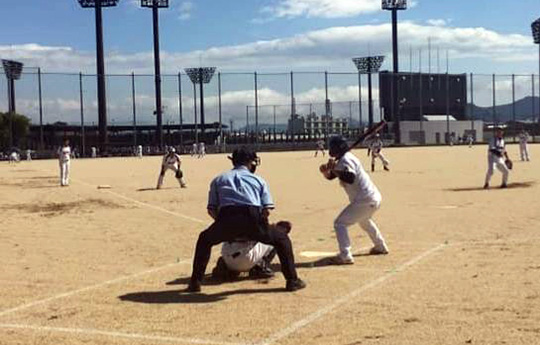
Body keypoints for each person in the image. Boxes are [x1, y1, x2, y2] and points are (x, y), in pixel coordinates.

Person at [187, 147, 306, 292]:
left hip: (227, 217)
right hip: (252, 216)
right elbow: (266, 210)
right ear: (251, 162)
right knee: (281, 239)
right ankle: (292, 280)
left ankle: (195, 282)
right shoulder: (259, 180)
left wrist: (224, 226)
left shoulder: (219, 179)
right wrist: (256, 229)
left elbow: (211, 209)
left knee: (204, 239)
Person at [319, 136, 389, 265]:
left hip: (365, 200)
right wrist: (326, 171)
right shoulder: (343, 159)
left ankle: (345, 255)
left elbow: (350, 177)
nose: (330, 149)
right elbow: (332, 176)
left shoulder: (346, 159)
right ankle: (380, 246)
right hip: (371, 198)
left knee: (340, 223)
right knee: (364, 221)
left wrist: (333, 168)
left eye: (332, 147)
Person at [211, 221, 292, 281]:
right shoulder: (253, 212)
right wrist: (275, 228)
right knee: (275, 239)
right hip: (247, 260)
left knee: (232, 242)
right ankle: (260, 268)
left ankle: (225, 267)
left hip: (227, 257)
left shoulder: (227, 210)